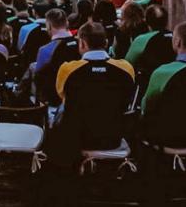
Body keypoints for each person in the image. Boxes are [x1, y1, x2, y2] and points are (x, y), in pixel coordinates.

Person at [48, 22, 136, 166]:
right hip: (113, 137)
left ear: (82, 43)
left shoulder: (67, 69)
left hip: (77, 138)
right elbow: (127, 96)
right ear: (106, 43)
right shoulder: (126, 69)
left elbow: (62, 96)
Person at [32, 8, 80, 105]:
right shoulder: (81, 45)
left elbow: (39, 78)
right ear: (67, 23)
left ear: (49, 26)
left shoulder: (45, 50)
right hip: (79, 95)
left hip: (55, 98)